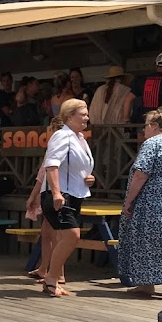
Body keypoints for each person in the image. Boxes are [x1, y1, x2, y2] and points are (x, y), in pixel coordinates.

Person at [118, 107, 162, 299]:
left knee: (156, 240)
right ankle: (146, 283)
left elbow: (141, 174)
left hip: (150, 202)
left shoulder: (152, 143)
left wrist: (129, 201)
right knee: (152, 240)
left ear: (154, 126)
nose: (143, 130)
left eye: (145, 126)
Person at [39, 98, 95, 297]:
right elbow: (52, 165)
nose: (87, 118)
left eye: (87, 114)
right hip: (61, 195)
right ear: (70, 116)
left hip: (75, 194)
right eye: (83, 114)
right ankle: (51, 278)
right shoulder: (62, 136)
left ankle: (53, 279)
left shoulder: (79, 138)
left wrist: (88, 178)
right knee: (72, 235)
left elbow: (77, 168)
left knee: (65, 236)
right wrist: (55, 192)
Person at [25, 116, 65, 284]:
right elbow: (42, 176)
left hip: (54, 192)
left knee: (55, 234)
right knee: (47, 232)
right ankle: (44, 268)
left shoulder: (58, 147)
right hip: (46, 191)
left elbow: (43, 175)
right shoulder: (56, 147)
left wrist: (33, 196)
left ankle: (59, 273)